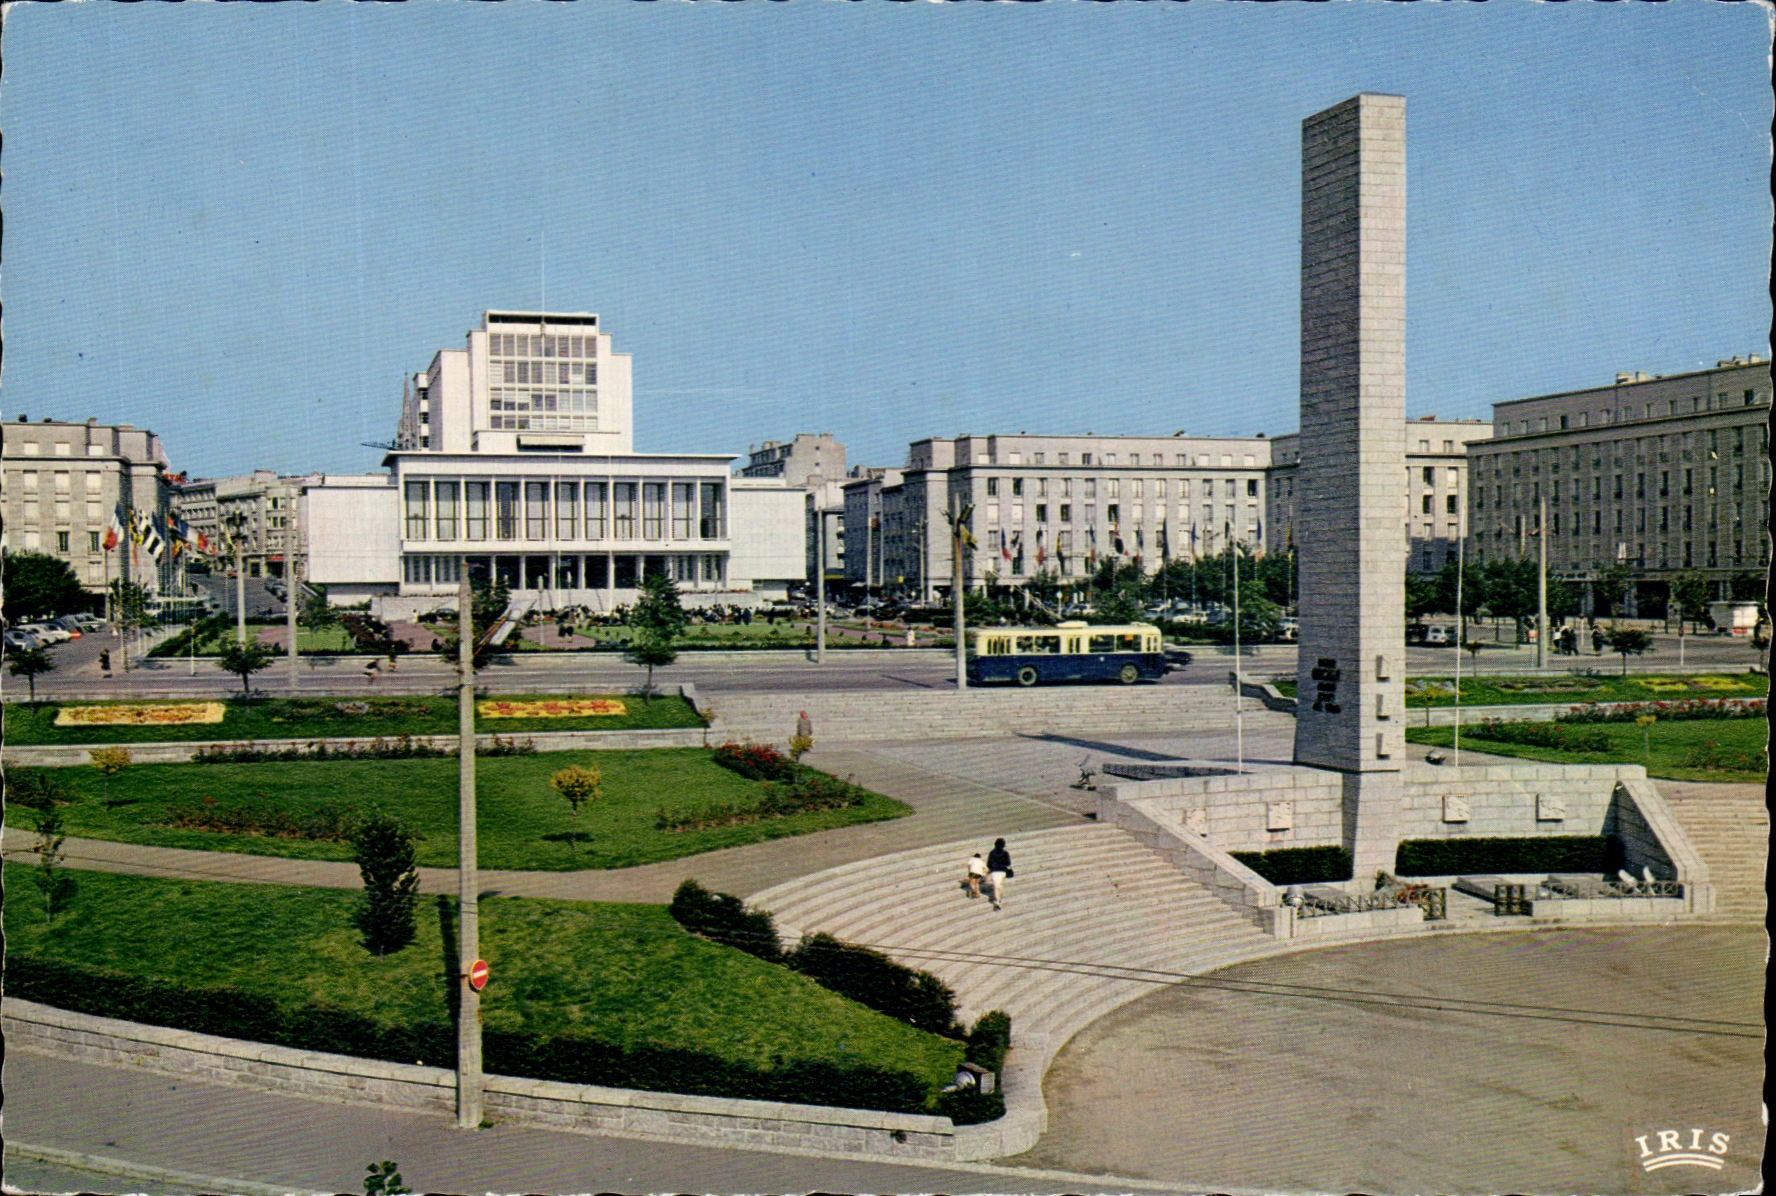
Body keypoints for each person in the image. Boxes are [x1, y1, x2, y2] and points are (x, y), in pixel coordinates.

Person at [986, 838, 1012, 910]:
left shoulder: (992, 853)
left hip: (995, 871)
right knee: (999, 885)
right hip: (1003, 872)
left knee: (996, 886)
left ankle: (997, 901)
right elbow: (1008, 863)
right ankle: (999, 897)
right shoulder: (1005, 853)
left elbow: (988, 864)